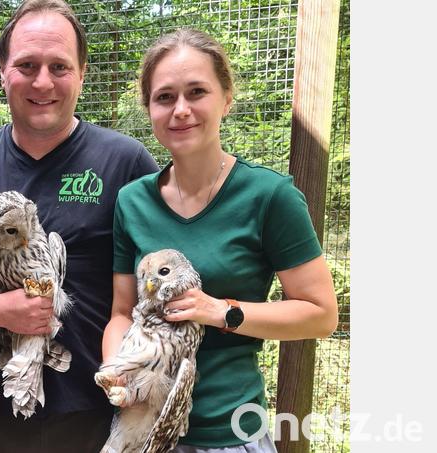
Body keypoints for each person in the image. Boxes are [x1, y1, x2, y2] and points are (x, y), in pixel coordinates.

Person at [0, 0, 159, 451]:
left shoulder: (124, 161)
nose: (43, 81)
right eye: (27, 65)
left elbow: (157, 286)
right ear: (2, 71)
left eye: (59, 66)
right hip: (5, 409)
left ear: (83, 73)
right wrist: (0, 310)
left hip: (106, 412)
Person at [103, 28, 338, 451]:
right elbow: (121, 312)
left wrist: (222, 312)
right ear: (149, 109)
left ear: (226, 99)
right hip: (144, 426)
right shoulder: (132, 201)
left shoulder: (269, 196)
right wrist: (116, 368)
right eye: (164, 97)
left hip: (229, 432)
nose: (181, 110)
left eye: (197, 92)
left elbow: (321, 314)